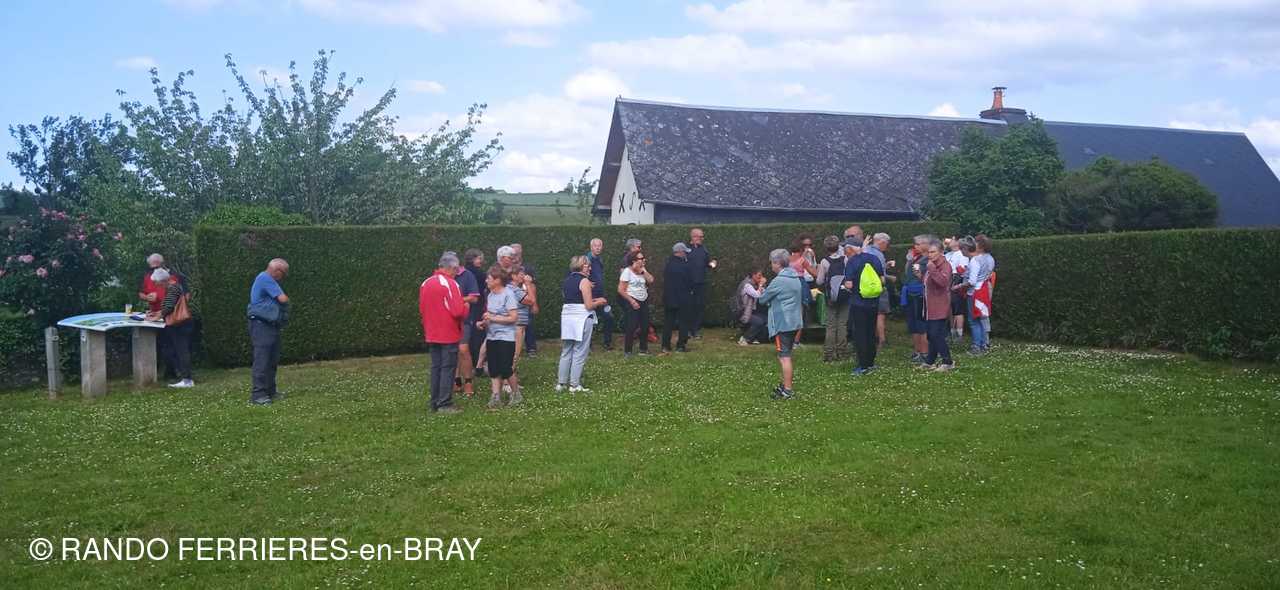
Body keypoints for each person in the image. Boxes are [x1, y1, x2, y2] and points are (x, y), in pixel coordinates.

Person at [419, 251, 468, 414]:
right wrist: (466, 307)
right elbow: (457, 311)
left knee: (436, 368)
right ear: (452, 268)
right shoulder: (451, 284)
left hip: (431, 332)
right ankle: (445, 403)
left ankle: (435, 402)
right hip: (448, 332)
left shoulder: (426, 283)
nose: (457, 273)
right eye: (456, 270)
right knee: (448, 368)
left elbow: (422, 308)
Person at [558, 256, 609, 393]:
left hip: (567, 317)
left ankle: (561, 383)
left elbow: (574, 299)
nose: (590, 268)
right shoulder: (584, 281)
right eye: (588, 266)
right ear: (581, 266)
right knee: (580, 351)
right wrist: (600, 301)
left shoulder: (567, 281)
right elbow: (588, 305)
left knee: (566, 350)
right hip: (582, 318)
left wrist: (593, 300)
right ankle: (574, 385)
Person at [758, 248, 805, 400]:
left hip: (783, 323)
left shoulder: (779, 281)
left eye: (772, 262)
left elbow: (762, 299)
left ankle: (788, 390)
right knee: (786, 354)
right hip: (795, 321)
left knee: (784, 357)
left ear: (778, 263)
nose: (771, 265)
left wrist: (761, 287)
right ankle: (785, 385)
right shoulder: (795, 277)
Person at [247, 258, 290, 405]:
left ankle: (270, 391)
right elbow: (283, 299)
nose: (283, 277)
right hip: (261, 325)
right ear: (277, 271)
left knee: (272, 359)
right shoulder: (265, 278)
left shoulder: (267, 279)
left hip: (270, 325)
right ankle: (258, 394)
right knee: (262, 359)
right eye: (284, 274)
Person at [479, 266, 521, 408]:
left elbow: (513, 318)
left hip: (506, 338)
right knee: (493, 368)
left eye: (489, 278)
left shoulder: (508, 294)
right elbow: (491, 316)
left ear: (497, 280)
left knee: (505, 369)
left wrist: (492, 318)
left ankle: (516, 394)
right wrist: (483, 323)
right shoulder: (490, 295)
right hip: (492, 337)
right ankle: (496, 396)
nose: (486, 281)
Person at [843, 237, 884, 376]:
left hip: (858, 302)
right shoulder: (874, 259)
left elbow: (849, 284)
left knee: (860, 333)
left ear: (850, 249)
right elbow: (882, 280)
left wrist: (846, 286)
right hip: (873, 302)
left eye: (846, 249)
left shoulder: (852, 261)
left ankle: (863, 365)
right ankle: (871, 362)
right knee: (871, 332)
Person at [148, 268, 194, 388]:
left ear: (163, 281)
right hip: (182, 323)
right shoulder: (174, 286)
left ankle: (187, 380)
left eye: (156, 282)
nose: (156, 285)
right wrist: (156, 313)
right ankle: (185, 377)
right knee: (180, 350)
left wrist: (156, 317)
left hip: (179, 324)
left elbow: (169, 307)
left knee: (182, 351)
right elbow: (170, 306)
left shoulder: (172, 288)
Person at [917, 238, 955, 371]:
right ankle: (930, 361)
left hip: (940, 305)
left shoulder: (944, 266)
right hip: (930, 306)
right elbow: (929, 283)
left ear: (941, 252)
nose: (930, 255)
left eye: (933, 252)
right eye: (929, 252)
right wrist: (920, 276)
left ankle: (948, 361)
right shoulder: (931, 265)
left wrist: (932, 269)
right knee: (931, 334)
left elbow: (942, 282)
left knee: (935, 334)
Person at [454, 248, 484, 397]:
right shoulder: (443, 277)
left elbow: (475, 298)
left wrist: (457, 300)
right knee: (452, 351)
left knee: (463, 349)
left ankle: (468, 381)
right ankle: (456, 380)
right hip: (447, 320)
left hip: (464, 319)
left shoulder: (467, 275)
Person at [817, 237, 851, 361]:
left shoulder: (824, 262)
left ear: (826, 248)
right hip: (845, 295)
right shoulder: (845, 259)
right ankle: (842, 352)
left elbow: (819, 281)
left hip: (831, 297)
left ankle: (829, 354)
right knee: (842, 324)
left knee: (831, 326)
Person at [961, 234, 996, 354]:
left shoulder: (976, 260)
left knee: (973, 320)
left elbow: (972, 281)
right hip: (984, 290)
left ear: (980, 246)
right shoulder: (990, 258)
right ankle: (984, 344)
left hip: (975, 292)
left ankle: (976, 346)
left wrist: (959, 286)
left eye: (976, 242)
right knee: (982, 318)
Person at [618, 250, 655, 357]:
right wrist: (632, 301)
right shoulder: (627, 272)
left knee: (645, 325)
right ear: (634, 261)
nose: (644, 260)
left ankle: (643, 349)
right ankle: (628, 351)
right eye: (641, 259)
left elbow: (651, 280)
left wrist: (643, 272)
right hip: (632, 299)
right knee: (632, 325)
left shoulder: (643, 269)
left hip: (644, 300)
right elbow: (621, 290)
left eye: (643, 258)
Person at [901, 235, 930, 363]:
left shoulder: (927, 260)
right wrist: (909, 261)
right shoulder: (916, 257)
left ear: (926, 245)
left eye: (918, 244)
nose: (915, 246)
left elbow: (924, 277)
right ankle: (917, 351)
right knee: (913, 323)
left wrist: (919, 273)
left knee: (921, 323)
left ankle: (925, 352)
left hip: (919, 294)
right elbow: (907, 273)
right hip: (910, 292)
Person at [662, 243, 694, 353]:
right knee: (683, 322)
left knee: (668, 322)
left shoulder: (668, 264)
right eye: (684, 252)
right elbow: (690, 282)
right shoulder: (685, 266)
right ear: (680, 252)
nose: (686, 254)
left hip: (669, 297)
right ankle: (681, 346)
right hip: (683, 298)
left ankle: (665, 346)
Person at [685, 228, 717, 339]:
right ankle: (687, 330)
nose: (702, 238)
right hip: (688, 284)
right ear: (693, 236)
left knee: (699, 307)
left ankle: (695, 330)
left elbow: (707, 263)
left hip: (701, 283)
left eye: (702, 236)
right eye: (700, 236)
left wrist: (712, 263)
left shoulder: (704, 249)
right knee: (688, 307)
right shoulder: (686, 249)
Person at [586, 238, 616, 351]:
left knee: (609, 317)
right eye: (595, 246)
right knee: (589, 321)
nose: (598, 248)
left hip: (600, 297)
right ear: (591, 247)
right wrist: (587, 283)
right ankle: (587, 345)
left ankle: (607, 343)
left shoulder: (599, 260)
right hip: (589, 297)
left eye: (600, 245)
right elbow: (578, 274)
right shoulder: (587, 260)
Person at [462, 248, 488, 378]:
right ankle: (478, 364)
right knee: (478, 335)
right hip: (477, 306)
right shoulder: (477, 273)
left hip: (469, 306)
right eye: (479, 258)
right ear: (472, 259)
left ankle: (474, 363)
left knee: (471, 334)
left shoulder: (464, 273)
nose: (481, 261)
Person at [510, 243, 538, 357]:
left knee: (528, 323)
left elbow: (532, 285)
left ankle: (530, 348)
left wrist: (534, 304)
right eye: (513, 254)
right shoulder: (506, 267)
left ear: (521, 254)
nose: (515, 256)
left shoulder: (528, 268)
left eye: (517, 254)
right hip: (512, 299)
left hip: (525, 297)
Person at [510, 266, 539, 372]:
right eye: (521, 274)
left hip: (519, 324)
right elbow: (531, 301)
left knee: (514, 353)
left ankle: (509, 376)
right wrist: (528, 284)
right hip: (517, 325)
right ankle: (508, 377)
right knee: (514, 353)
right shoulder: (515, 290)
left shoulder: (514, 288)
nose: (524, 277)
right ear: (513, 276)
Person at [869, 233, 894, 348]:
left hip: (867, 287)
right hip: (878, 287)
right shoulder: (879, 254)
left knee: (872, 313)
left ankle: (873, 338)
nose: (887, 247)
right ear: (882, 242)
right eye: (887, 244)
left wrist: (886, 265)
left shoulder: (867, 250)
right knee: (880, 314)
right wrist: (889, 278)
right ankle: (882, 339)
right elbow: (880, 274)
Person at [945, 236, 972, 341]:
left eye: (952, 239)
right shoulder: (948, 254)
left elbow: (963, 269)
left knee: (957, 308)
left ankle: (959, 334)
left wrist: (957, 282)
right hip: (947, 280)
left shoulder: (962, 254)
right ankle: (951, 331)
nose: (949, 241)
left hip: (956, 280)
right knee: (949, 308)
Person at [736, 269, 768, 346]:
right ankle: (745, 338)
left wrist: (762, 286)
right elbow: (757, 295)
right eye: (759, 275)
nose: (761, 277)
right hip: (743, 312)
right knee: (759, 321)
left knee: (765, 319)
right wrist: (761, 284)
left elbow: (765, 293)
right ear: (753, 275)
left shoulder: (755, 284)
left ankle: (755, 338)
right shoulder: (747, 285)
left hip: (751, 311)